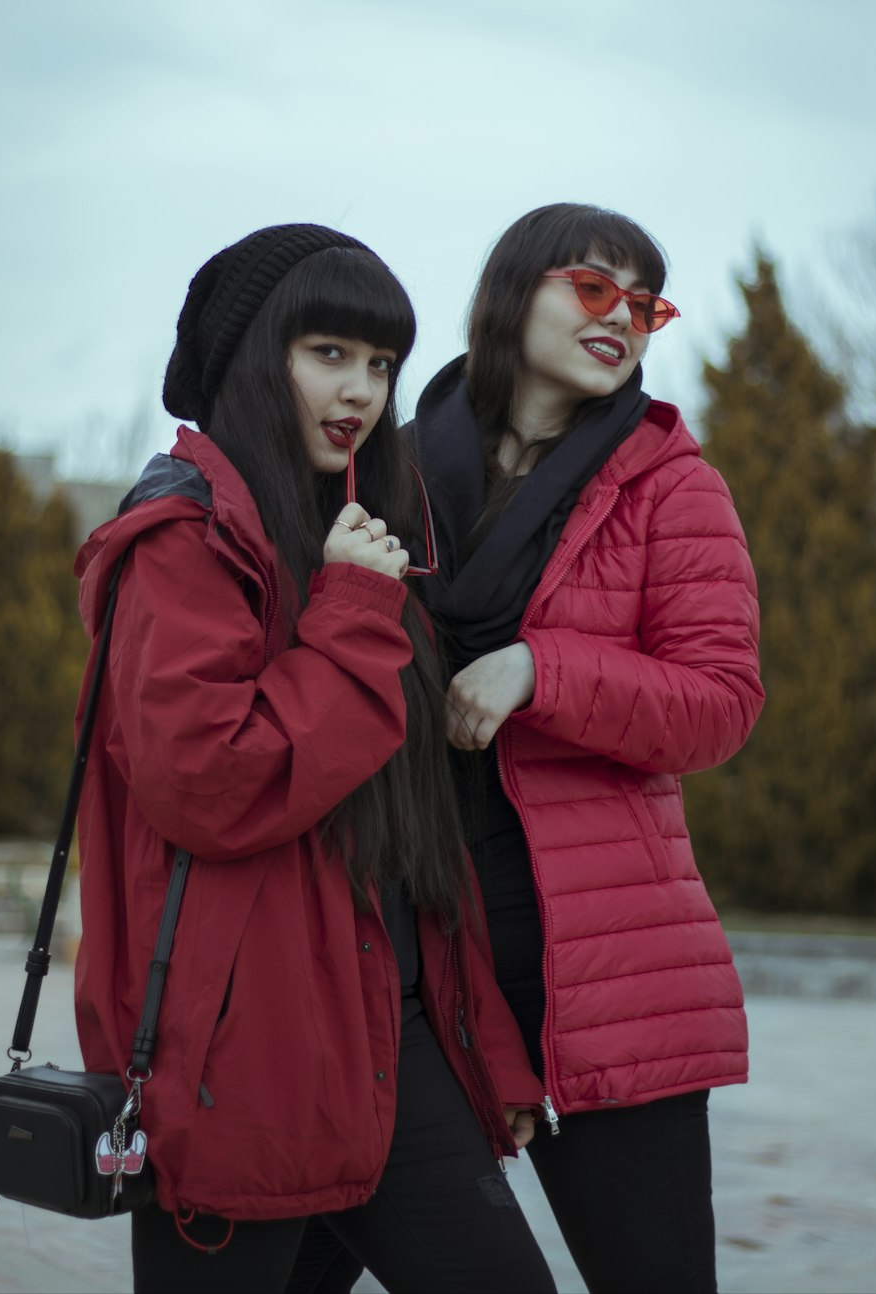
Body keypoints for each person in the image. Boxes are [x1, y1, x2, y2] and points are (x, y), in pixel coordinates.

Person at [72, 223, 558, 1294]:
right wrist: (346, 612)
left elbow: (413, 834)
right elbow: (213, 783)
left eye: (380, 362)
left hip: (396, 1035)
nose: (362, 391)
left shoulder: (360, 535)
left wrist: (490, 1048)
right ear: (258, 360)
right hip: (246, 1058)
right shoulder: (179, 545)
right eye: (327, 354)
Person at [299, 202, 764, 1293]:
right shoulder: (389, 471)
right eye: (594, 288)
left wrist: (540, 670)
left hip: (601, 969)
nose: (624, 318)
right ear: (515, 292)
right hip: (411, 950)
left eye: (645, 303)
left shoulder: (670, 484)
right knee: (298, 1259)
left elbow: (719, 700)